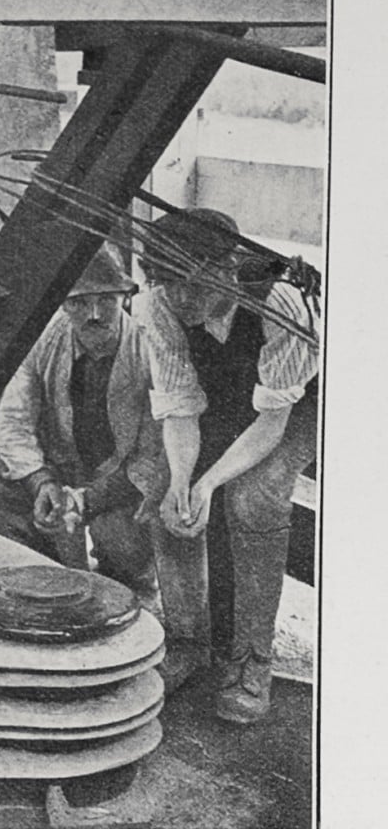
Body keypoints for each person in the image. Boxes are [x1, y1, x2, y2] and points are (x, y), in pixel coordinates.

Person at [0, 246, 211, 686]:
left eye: (106, 300)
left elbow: (156, 455)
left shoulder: (149, 348)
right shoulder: (44, 339)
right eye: (78, 302)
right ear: (63, 304)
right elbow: (14, 423)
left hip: (121, 487)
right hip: (61, 476)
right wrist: (42, 483)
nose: (94, 315)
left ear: (125, 298)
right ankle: (47, 580)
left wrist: (91, 499)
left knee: (123, 547)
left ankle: (135, 589)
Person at [137, 208, 319, 724]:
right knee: (162, 488)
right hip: (226, 400)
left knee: (252, 496)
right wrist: (180, 482)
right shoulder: (160, 304)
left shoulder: (282, 301)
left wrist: (212, 480)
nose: (180, 299)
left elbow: (272, 422)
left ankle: (251, 661)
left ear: (229, 266)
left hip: (298, 407)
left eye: (192, 285)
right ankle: (190, 640)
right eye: (168, 284)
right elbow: (179, 407)